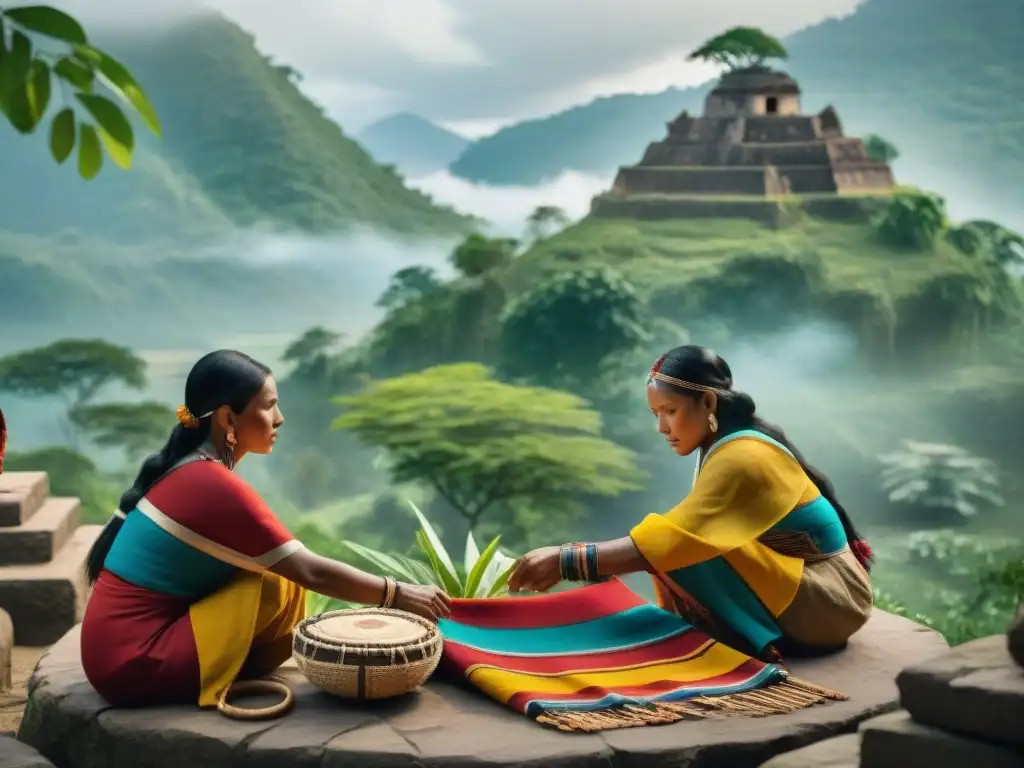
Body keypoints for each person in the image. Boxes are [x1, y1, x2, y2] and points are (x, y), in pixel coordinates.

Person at [80, 349, 451, 709]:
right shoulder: (209, 484)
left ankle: (226, 668)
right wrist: (397, 594)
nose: (280, 418)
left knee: (276, 569)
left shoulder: (194, 471)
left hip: (122, 657)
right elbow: (311, 571)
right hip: (131, 665)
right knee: (277, 576)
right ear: (227, 419)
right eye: (269, 404)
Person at [507, 345, 873, 661]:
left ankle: (746, 639)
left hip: (830, 605)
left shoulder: (744, 458)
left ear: (708, 402)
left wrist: (567, 560)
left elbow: (676, 539)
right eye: (655, 415)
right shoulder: (726, 446)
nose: (662, 428)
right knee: (676, 541)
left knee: (678, 544)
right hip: (814, 593)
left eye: (670, 411)